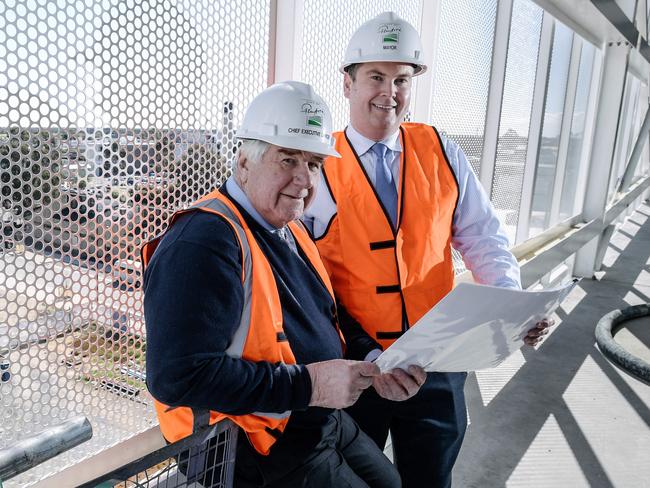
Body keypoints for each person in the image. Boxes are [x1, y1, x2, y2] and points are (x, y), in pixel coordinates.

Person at [302, 11, 551, 488]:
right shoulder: (319, 165)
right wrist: (364, 357)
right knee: (355, 479)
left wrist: (512, 304)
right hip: (357, 367)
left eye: (401, 79)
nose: (389, 92)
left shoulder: (442, 151)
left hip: (437, 362)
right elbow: (304, 280)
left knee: (432, 476)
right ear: (348, 84)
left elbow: (483, 237)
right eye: (375, 76)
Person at [142, 81, 403, 488]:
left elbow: (323, 313)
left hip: (317, 420)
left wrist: (373, 359)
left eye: (314, 163)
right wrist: (311, 384)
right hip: (257, 452)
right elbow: (177, 377)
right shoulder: (204, 241)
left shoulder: (288, 229)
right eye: (287, 159)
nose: (304, 178)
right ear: (244, 163)